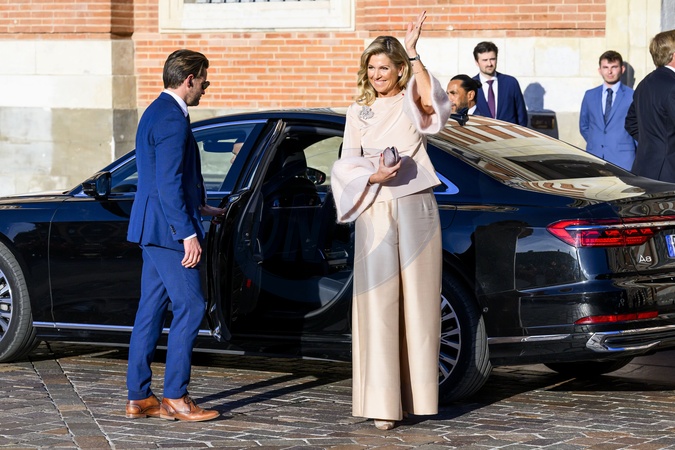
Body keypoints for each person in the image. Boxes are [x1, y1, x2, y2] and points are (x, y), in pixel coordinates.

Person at [330, 11, 451, 431]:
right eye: (372, 67)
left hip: (416, 204)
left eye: (385, 67)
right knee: (378, 303)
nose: (377, 74)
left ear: (399, 69)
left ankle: (418, 397)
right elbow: (345, 165)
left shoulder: (411, 99)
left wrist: (414, 52)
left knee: (420, 303)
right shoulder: (357, 110)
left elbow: (436, 111)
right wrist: (372, 177)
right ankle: (382, 403)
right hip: (375, 209)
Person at [125, 49, 224, 422]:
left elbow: (161, 177)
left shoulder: (155, 110)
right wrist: (187, 233)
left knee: (150, 309)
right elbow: (167, 183)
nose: (205, 89)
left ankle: (139, 397)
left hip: (152, 226)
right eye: (204, 82)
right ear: (190, 79)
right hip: (168, 231)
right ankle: (176, 397)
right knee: (191, 306)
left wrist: (199, 206)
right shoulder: (172, 118)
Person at [625, 29, 675, 181]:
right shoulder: (672, 85)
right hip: (669, 173)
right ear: (673, 55)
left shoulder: (644, 83)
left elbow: (631, 123)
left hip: (644, 169)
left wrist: (654, 144)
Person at [579, 50, 636, 170]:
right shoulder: (590, 95)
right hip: (595, 156)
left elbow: (638, 127)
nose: (609, 72)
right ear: (600, 70)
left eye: (614, 67)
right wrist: (596, 141)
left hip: (624, 159)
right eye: (605, 67)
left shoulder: (632, 96)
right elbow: (584, 125)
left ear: (622, 69)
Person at [472, 41, 528, 125]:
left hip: (509, 133)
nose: (489, 64)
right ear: (477, 62)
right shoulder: (470, 85)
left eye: (492, 59)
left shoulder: (511, 83)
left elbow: (522, 116)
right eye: (485, 60)